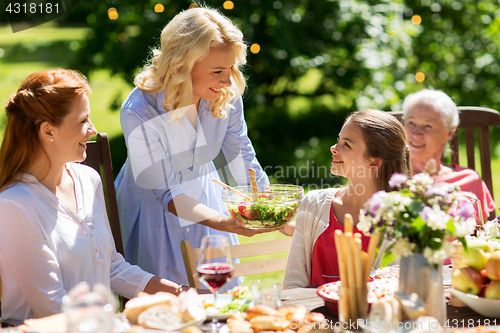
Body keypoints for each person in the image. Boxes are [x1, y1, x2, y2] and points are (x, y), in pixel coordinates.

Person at [0, 69, 189, 326]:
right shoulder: (14, 206)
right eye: (82, 121)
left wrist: (181, 293)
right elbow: (50, 307)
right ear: (48, 131)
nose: (92, 129)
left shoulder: (88, 180)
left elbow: (111, 267)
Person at [114, 6, 273, 290]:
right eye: (217, 71)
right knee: (171, 308)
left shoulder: (224, 93)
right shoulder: (139, 110)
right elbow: (167, 193)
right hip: (152, 208)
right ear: (182, 64)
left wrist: (266, 207)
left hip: (205, 194)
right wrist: (223, 221)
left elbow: (240, 153)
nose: (227, 80)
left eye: (231, 68)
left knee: (221, 298)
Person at [283, 110, 411, 289]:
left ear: (374, 162)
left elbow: (390, 292)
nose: (333, 148)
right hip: (311, 316)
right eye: (339, 140)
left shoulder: (400, 220)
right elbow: (293, 284)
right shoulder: (313, 204)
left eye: (347, 145)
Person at [402, 88, 496, 221]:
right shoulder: (390, 177)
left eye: (428, 125)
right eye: (411, 123)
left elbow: (484, 235)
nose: (416, 133)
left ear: (449, 133)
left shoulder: (469, 180)